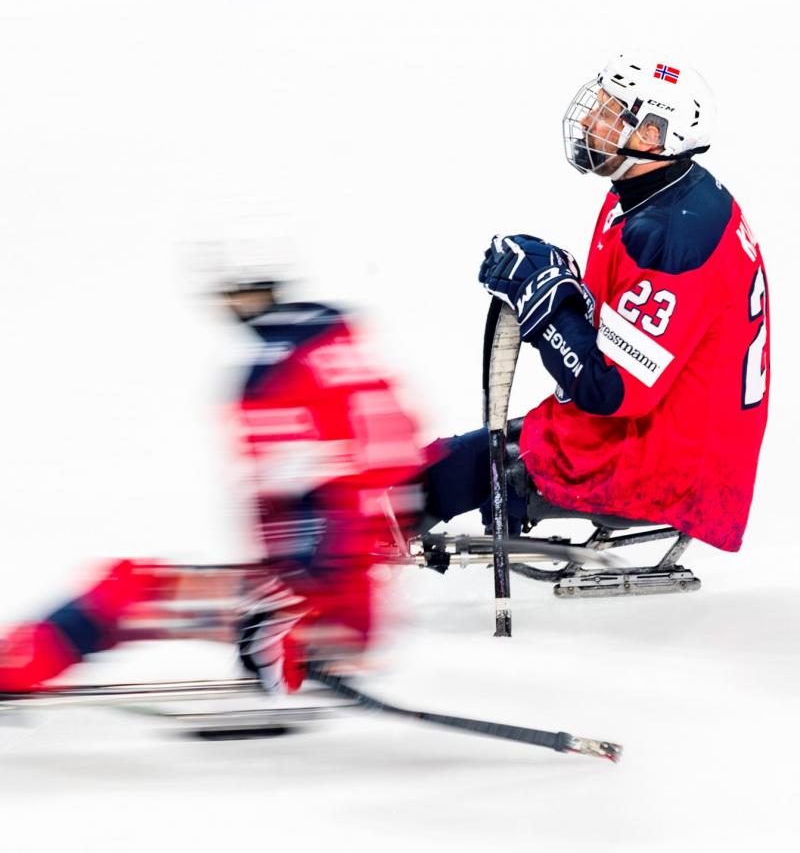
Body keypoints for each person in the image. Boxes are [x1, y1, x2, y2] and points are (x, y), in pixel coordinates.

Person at [0, 260, 424, 695]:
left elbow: (332, 495)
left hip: (316, 609)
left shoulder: (280, 373)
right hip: (332, 592)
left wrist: (298, 600)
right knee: (134, 586)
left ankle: (20, 661)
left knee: (125, 590)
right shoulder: (340, 353)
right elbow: (382, 479)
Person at [422, 52, 769, 553]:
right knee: (445, 463)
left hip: (664, 467)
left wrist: (544, 305)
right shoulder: (655, 194)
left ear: (650, 136)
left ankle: (337, 540)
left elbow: (612, 391)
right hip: (667, 433)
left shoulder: (671, 235)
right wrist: (559, 288)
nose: (587, 120)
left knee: (448, 474)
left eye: (607, 113)